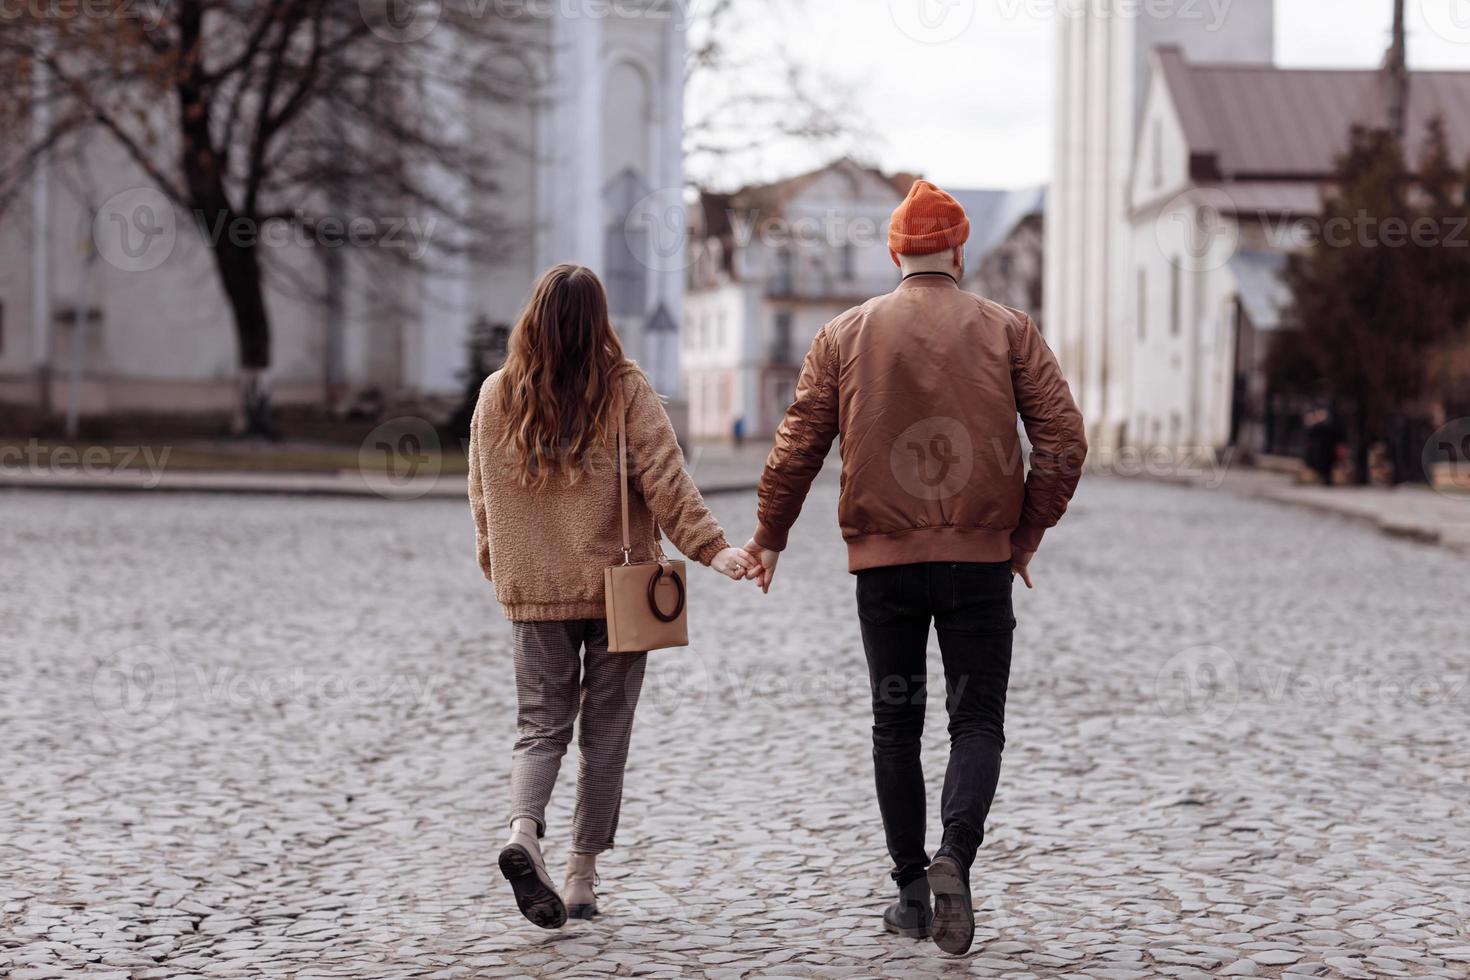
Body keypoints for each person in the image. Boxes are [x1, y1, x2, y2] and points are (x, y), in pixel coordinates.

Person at [741, 181, 1087, 955]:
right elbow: (1063, 438)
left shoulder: (844, 334)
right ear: (960, 252)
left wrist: (769, 535)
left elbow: (799, 441)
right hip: (977, 564)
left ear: (895, 253)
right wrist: (1024, 534)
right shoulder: (1008, 329)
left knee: (895, 724)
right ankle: (953, 858)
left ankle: (908, 894)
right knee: (977, 720)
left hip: (884, 566)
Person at [467, 264, 759, 929]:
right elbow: (666, 480)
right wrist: (716, 551)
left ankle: (523, 833)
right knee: (606, 736)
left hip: (534, 592)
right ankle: (580, 877)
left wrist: (499, 568)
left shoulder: (495, 394)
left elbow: (481, 497)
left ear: (532, 318)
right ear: (600, 322)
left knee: (539, 727)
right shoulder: (625, 390)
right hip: (618, 593)